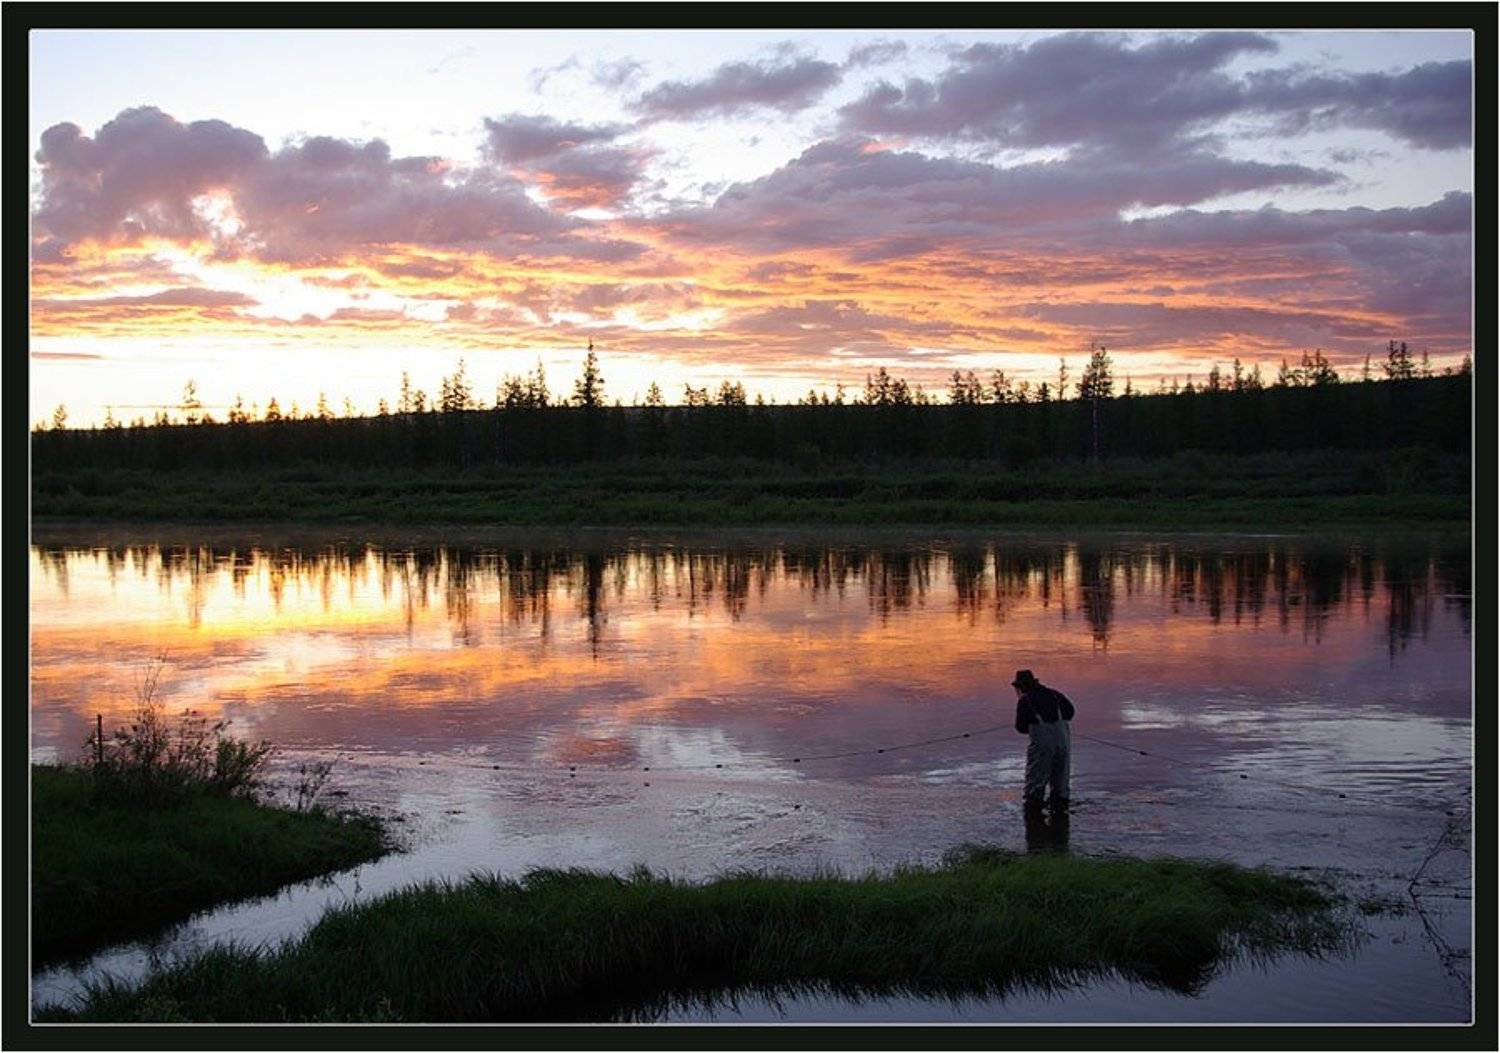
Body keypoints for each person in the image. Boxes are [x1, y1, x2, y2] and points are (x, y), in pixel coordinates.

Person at [1012, 669, 1074, 813]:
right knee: (1061, 780)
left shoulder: (1025, 700)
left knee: (1036, 780)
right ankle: (1061, 813)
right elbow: (1070, 712)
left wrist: (1035, 724)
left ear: (1022, 686)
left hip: (1042, 746)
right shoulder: (1055, 694)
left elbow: (1021, 728)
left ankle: (1033, 816)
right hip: (1063, 742)